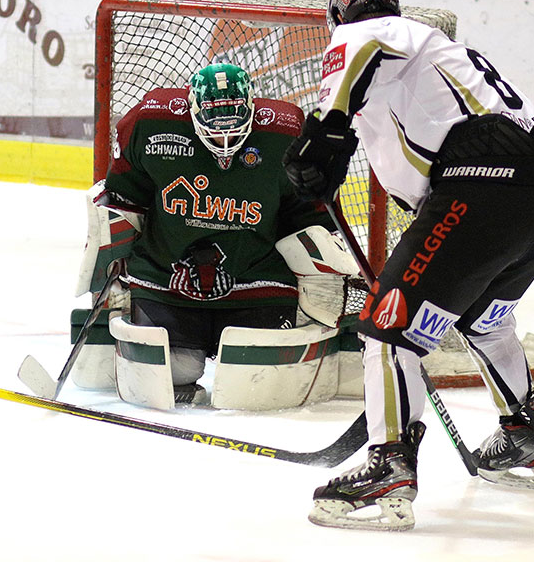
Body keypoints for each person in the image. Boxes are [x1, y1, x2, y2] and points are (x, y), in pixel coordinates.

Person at [282, 0, 534, 530]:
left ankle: (389, 466)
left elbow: (361, 53)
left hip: (481, 188)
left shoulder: (362, 33)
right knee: (484, 321)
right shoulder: (432, 51)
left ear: (336, 10)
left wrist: (326, 132)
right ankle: (523, 437)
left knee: (389, 330)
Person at [87, 62, 354, 407]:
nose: (224, 139)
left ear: (252, 108)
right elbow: (124, 199)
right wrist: (112, 258)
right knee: (175, 371)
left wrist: (322, 275)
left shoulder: (285, 134)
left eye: (235, 126)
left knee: (255, 382)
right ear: (192, 109)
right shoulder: (151, 124)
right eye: (214, 127)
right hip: (167, 277)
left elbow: (309, 215)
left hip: (257, 278)